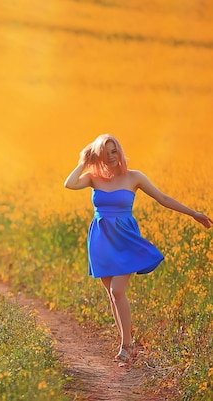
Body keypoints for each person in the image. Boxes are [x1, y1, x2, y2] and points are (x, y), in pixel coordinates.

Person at [64, 134, 212, 366]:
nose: (111, 156)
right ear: (98, 155)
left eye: (114, 151)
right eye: (105, 153)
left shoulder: (134, 177)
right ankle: (125, 344)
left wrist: (193, 213)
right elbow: (69, 184)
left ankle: (127, 345)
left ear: (120, 152)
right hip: (101, 240)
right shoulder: (93, 177)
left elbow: (162, 198)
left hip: (125, 239)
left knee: (118, 291)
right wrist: (84, 160)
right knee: (112, 295)